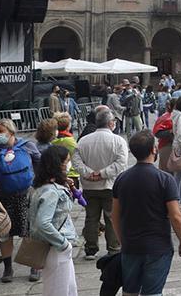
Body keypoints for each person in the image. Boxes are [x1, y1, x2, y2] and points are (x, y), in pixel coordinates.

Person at [111, 131, 181, 296]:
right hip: (157, 246)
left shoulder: (121, 179)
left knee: (130, 291)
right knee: (152, 292)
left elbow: (115, 215)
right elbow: (176, 216)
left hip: (131, 245)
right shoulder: (165, 180)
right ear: (154, 150)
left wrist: (122, 240)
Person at [0, 118, 42, 282]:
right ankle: (8, 268)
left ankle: (34, 266)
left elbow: (39, 163)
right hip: (3, 197)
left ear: (11, 132)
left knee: (30, 231)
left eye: (1, 131)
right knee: (5, 233)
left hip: (26, 194)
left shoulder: (27, 146)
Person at [73, 107, 128, 260]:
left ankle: (91, 248)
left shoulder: (83, 140)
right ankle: (114, 247)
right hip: (110, 185)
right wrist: (103, 173)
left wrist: (89, 173)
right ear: (111, 123)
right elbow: (121, 163)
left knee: (91, 217)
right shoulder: (118, 141)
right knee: (111, 217)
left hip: (89, 185)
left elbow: (76, 161)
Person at [29, 146, 79, 296]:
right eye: (67, 162)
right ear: (59, 164)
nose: (69, 165)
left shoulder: (45, 186)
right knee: (60, 290)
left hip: (56, 247)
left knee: (69, 288)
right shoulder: (51, 191)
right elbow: (43, 223)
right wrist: (63, 243)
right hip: (56, 248)